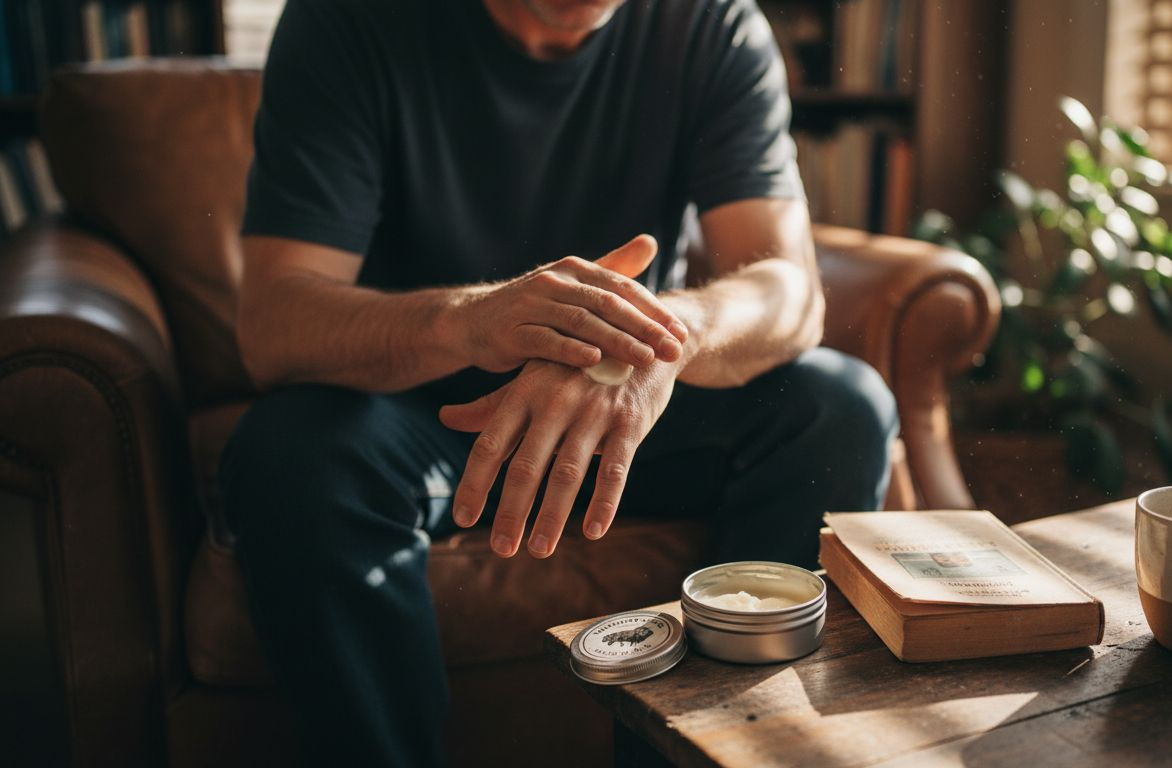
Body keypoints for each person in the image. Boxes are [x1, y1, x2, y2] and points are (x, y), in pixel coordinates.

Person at [221, 0, 898, 763]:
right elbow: (274, 321)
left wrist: (656, 345)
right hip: (425, 409)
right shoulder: (346, 21)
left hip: (635, 399)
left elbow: (789, 290)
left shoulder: (710, 23)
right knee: (291, 452)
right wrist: (474, 320)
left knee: (839, 405)